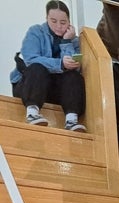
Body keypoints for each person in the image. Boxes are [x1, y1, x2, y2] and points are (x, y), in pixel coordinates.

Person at [12, 1, 85, 132]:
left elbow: (76, 66)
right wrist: (60, 64)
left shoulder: (74, 40)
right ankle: (32, 113)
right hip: (30, 85)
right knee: (37, 68)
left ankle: (71, 120)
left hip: (56, 89)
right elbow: (30, 59)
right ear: (46, 19)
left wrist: (66, 42)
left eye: (63, 22)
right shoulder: (35, 31)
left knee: (73, 75)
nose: (58, 26)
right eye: (53, 21)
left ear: (69, 21)